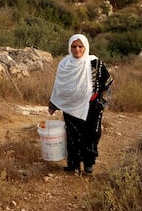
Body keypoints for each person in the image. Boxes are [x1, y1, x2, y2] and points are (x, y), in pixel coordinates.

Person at [48, 33, 113, 174]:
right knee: (73, 136)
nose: (77, 50)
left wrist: (103, 102)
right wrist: (54, 104)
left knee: (92, 134)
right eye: (73, 46)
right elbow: (59, 86)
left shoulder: (95, 63)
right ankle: (74, 165)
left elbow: (107, 83)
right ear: (69, 48)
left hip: (93, 106)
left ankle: (89, 163)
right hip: (71, 107)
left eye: (80, 46)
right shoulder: (65, 64)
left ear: (85, 47)